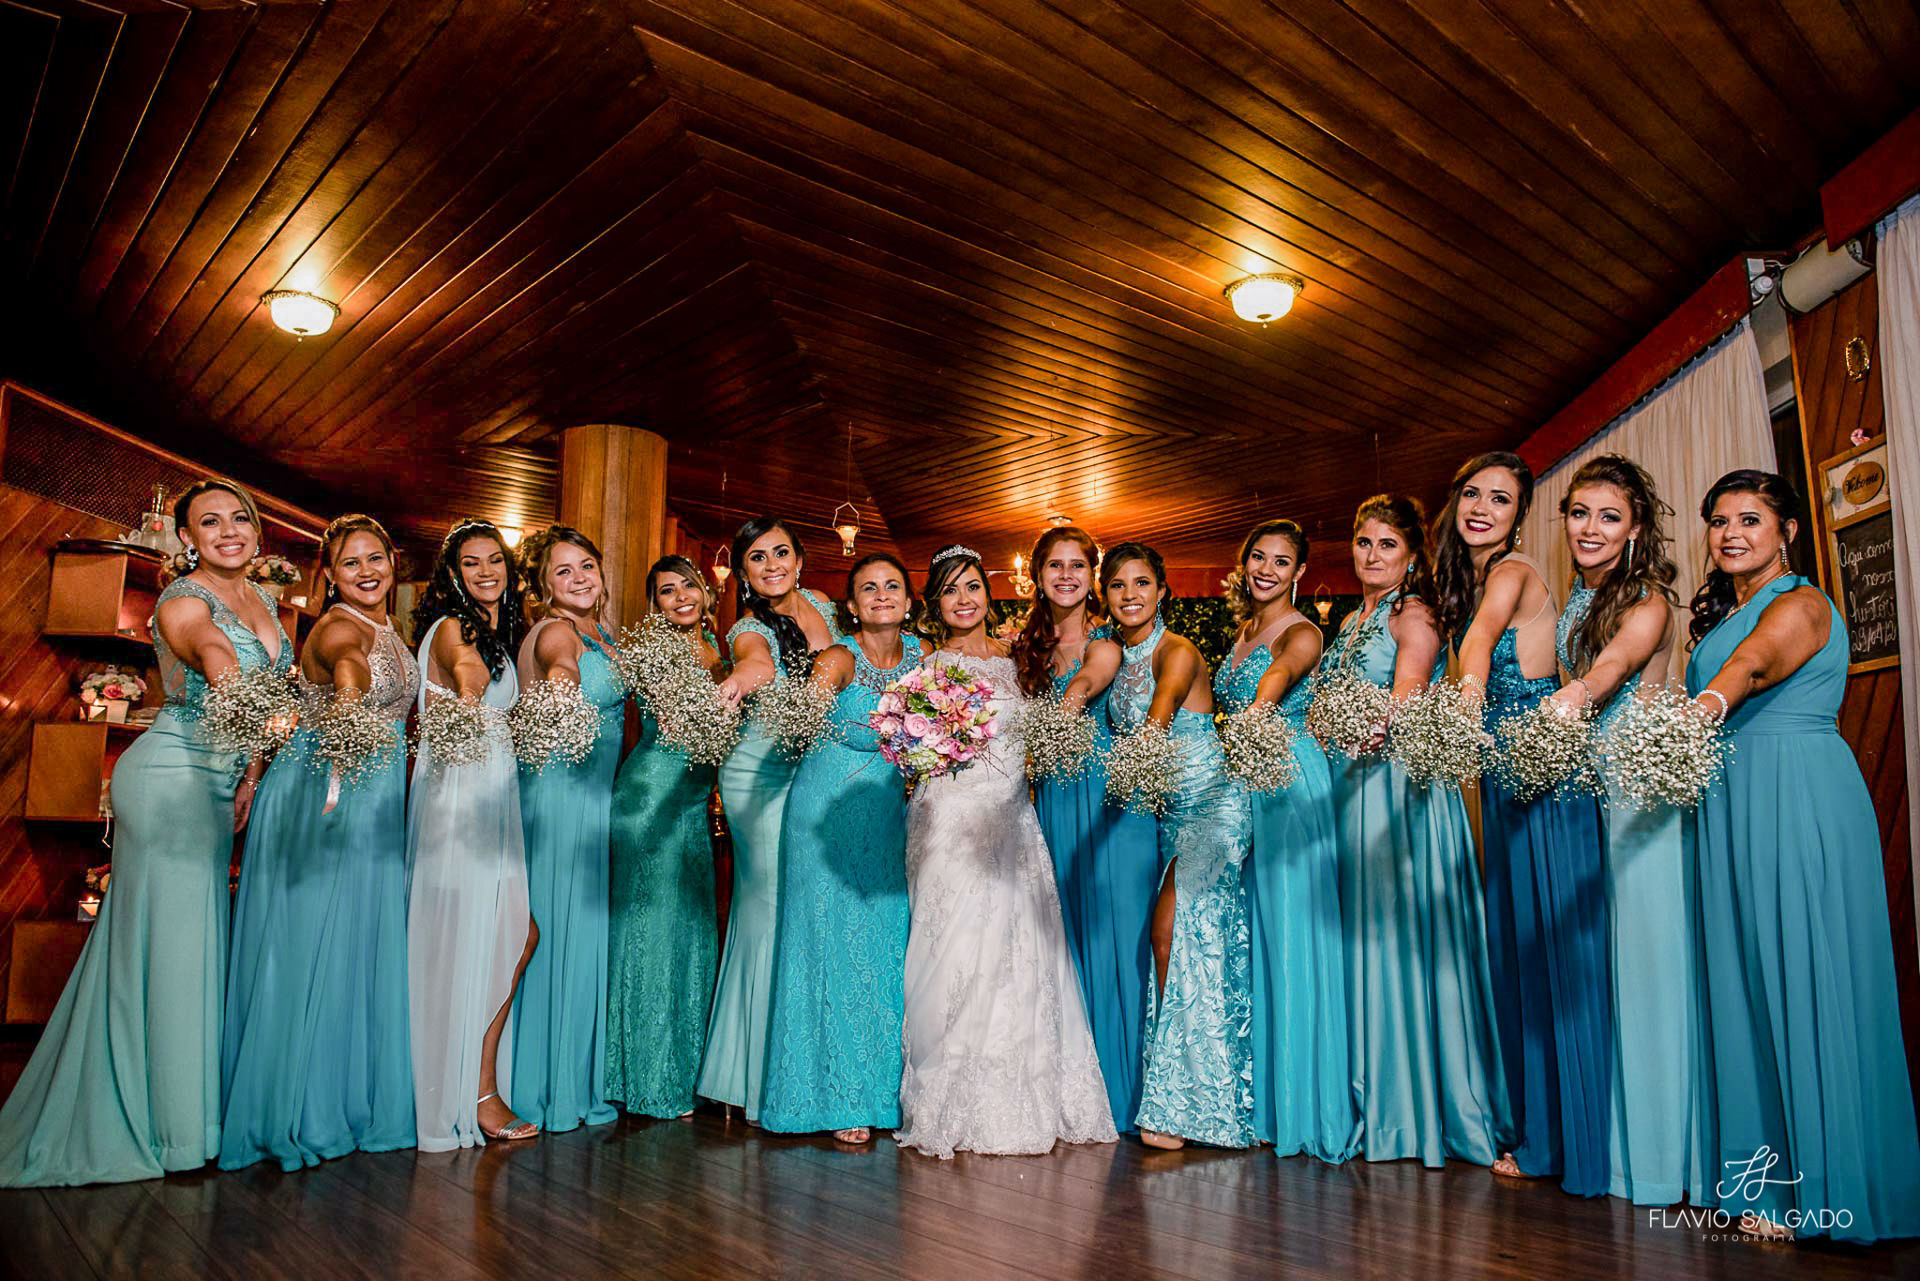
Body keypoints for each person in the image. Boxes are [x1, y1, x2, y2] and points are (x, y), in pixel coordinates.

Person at [0, 478, 291, 1186]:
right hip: (170, 779)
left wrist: (251, 772)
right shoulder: (186, 599)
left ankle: (191, 1120)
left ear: (256, 531)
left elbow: (260, 697)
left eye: (240, 518)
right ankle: (172, 1132)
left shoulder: (268, 603)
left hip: (220, 785)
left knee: (192, 945)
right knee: (171, 947)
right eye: (209, 522)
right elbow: (216, 657)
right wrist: (249, 704)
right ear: (186, 538)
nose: (229, 530)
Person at [1685, 469, 1920, 1243]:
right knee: (1746, 981)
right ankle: (1769, 1184)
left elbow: (1751, 666)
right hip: (1732, 797)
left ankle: (1832, 1184)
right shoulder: (1732, 606)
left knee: (1807, 971)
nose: (1731, 533)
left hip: (1795, 794)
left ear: (1786, 529)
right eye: (1719, 520)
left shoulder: (1801, 602)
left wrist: (1704, 708)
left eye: (1749, 518)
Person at [896, 545, 1116, 1158]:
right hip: (948, 819)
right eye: (950, 590)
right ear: (935, 604)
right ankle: (949, 1094)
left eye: (973, 586)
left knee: (1021, 954)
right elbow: (914, 753)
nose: (964, 599)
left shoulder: (1022, 657)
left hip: (1014, 820)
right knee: (954, 947)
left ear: (990, 595)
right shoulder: (924, 668)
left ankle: (1027, 1093)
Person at [220, 514, 415, 1171]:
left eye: (374, 558)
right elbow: (348, 665)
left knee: (355, 945)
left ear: (392, 561)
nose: (365, 571)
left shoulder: (390, 625)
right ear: (328, 576)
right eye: (349, 563)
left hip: (374, 796)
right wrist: (353, 695)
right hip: (324, 793)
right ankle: (298, 1108)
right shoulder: (338, 627)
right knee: (310, 947)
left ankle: (341, 1094)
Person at [1322, 494, 1509, 1168]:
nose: (1372, 556)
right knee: (1361, 937)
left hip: (1396, 785)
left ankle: (1411, 1107)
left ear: (1412, 554)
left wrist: (1376, 722)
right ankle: (1369, 1090)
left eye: (1387, 545)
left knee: (1396, 939)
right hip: (1351, 787)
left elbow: (1410, 683)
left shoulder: (1414, 610)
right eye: (1364, 543)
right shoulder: (1351, 619)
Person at [1441, 451, 1610, 1197]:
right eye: (1473, 493)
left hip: (1547, 779)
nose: (1482, 507)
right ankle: (1537, 1128)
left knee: (1551, 964)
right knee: (1516, 954)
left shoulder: (1510, 572)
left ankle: (1563, 1143)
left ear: (1520, 514)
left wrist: (1467, 687)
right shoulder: (1471, 579)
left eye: (1500, 499)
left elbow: (1479, 641)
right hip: (1506, 783)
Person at [1549, 455, 1714, 1207]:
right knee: (1607, 966)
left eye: (1609, 515)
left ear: (1636, 528)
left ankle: (1659, 1157)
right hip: (1592, 785)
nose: (1591, 527)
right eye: (1580, 512)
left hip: (1640, 783)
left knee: (1649, 963)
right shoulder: (1579, 597)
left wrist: (1576, 694)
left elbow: (1616, 661)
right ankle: (1614, 1141)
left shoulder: (1647, 598)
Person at [1078, 542, 1252, 1151]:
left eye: (1142, 583)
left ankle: (1189, 1108)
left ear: (1162, 591)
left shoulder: (1175, 652)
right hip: (1162, 816)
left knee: (1170, 933)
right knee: (1177, 946)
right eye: (1119, 585)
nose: (1130, 595)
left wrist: (1144, 742)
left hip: (1212, 809)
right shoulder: (1112, 653)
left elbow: (1161, 709)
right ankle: (1178, 1099)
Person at [760, 553, 923, 1143]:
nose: (882, 595)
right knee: (824, 945)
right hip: (823, 810)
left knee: (883, 946)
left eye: (893, 586)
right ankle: (829, 1097)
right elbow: (800, 722)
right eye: (868, 589)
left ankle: (880, 1093)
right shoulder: (837, 658)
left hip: (884, 814)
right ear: (850, 605)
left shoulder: (926, 661)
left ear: (908, 600)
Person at [1212, 519, 1357, 1161]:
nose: (1267, 568)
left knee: (1295, 936)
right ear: (1244, 563)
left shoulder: (1302, 631)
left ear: (1299, 572)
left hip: (1289, 779)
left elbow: (1283, 675)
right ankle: (1266, 1101)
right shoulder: (1242, 631)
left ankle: (1307, 1105)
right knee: (1259, 937)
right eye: (1258, 556)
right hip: (1249, 777)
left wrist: (1256, 713)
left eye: (1282, 561)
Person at [1011, 525, 1161, 1131]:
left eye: (1078, 566)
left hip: (1110, 800)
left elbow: (1091, 679)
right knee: (1060, 945)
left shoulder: (1108, 640)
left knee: (1117, 942)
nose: (1066, 576)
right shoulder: (1022, 648)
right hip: (1049, 802)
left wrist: (1064, 707)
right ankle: (1073, 1099)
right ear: (1037, 576)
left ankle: (1125, 1098)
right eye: (1055, 566)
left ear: (1092, 576)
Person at [701, 518, 844, 1122]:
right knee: (768, 907)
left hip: (815, 768)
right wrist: (735, 682)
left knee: (809, 905)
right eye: (756, 558)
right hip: (758, 771)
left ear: (801, 559)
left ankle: (804, 1063)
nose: (772, 565)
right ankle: (753, 1077)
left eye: (781, 553)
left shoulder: (819, 604)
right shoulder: (747, 629)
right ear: (742, 572)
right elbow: (756, 665)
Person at [407, 519, 540, 1149]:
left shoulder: (495, 632)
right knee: (483, 938)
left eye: (495, 561)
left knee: (505, 936)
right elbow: (465, 676)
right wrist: (469, 694)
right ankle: (473, 1094)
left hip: (492, 793)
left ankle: (474, 1084)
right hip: (460, 796)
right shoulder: (457, 630)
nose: (486, 572)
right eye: (470, 563)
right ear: (452, 575)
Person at [511, 526, 625, 1134]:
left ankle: (568, 1078)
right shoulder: (559, 632)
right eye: (563, 571)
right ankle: (542, 1086)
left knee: (578, 931)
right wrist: (562, 688)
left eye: (587, 566)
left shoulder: (602, 633)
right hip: (558, 796)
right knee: (555, 932)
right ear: (542, 586)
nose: (580, 578)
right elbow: (560, 667)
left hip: (591, 797)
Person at [606, 557, 725, 1120]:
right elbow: (682, 722)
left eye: (688, 586)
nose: (680, 597)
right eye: (666, 591)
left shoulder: (720, 650)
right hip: (652, 797)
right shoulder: (654, 650)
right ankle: (648, 1080)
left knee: (691, 932)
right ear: (653, 604)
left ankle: (687, 1070)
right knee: (652, 933)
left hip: (695, 802)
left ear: (706, 592)